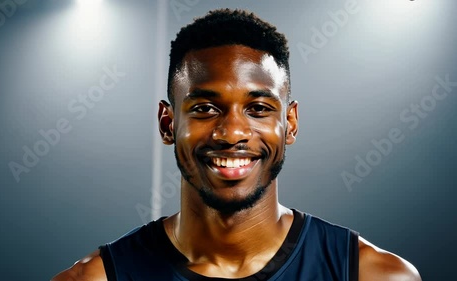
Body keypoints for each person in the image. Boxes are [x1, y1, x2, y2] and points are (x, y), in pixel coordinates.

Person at [52, 9, 421, 281]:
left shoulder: (373, 275)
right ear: (168, 124)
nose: (231, 133)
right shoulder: (94, 279)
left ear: (289, 123)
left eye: (258, 108)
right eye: (205, 108)